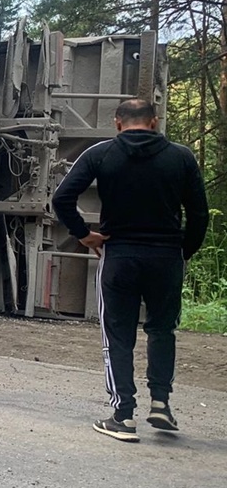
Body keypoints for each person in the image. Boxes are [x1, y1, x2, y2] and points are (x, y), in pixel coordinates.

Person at [52, 97, 209, 442]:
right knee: (162, 330)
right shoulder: (181, 157)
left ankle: (123, 416)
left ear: (118, 123)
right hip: (166, 257)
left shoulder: (100, 154)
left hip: (119, 256)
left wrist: (84, 235)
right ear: (154, 121)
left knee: (118, 336)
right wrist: (183, 251)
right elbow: (199, 213)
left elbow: (61, 198)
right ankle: (161, 404)